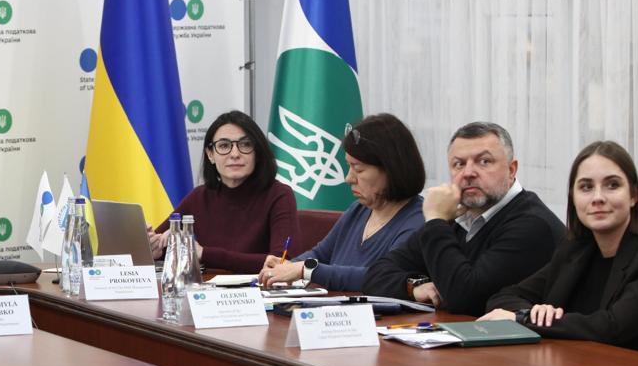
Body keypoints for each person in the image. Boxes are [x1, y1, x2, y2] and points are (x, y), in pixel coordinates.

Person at [362, 121, 565, 316]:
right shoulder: (457, 216)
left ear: (511, 170)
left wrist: (435, 220)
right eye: (458, 164)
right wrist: (414, 286)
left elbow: (465, 297)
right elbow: (375, 274)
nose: (468, 173)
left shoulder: (533, 225)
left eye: (484, 162)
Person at [481, 141, 638, 352]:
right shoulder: (575, 247)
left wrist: (524, 319)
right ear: (573, 197)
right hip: (579, 365)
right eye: (586, 187)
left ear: (634, 195)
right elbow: (504, 297)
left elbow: (612, 327)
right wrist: (533, 313)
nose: (598, 198)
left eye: (612, 185)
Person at [257, 113, 426, 291]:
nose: (348, 178)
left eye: (358, 169)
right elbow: (320, 254)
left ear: (391, 169)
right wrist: (288, 266)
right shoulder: (358, 210)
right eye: (348, 166)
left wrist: (305, 269)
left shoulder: (419, 221)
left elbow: (384, 278)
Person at [147, 110, 298, 272]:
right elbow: (163, 241)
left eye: (245, 145)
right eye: (224, 146)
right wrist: (155, 249)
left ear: (257, 153)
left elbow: (281, 263)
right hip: (207, 287)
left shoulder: (279, 195)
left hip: (259, 287)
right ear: (210, 155)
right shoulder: (199, 197)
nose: (235, 154)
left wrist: (204, 253)